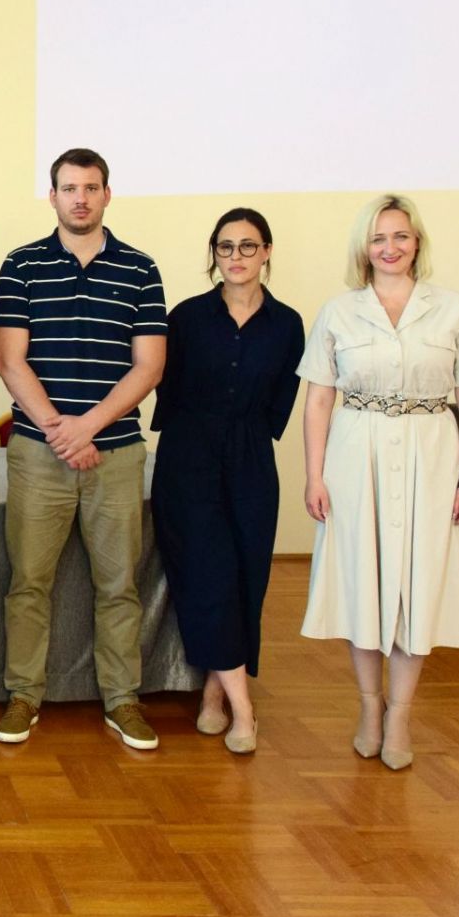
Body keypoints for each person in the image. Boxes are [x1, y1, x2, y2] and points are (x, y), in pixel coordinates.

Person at [298, 194, 459, 771]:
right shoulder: (338, 312)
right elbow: (319, 400)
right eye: (379, 238)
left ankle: (401, 712)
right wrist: (314, 475)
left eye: (400, 236)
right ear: (364, 248)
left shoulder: (453, 309)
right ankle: (369, 707)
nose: (390, 247)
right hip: (354, 457)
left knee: (419, 582)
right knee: (361, 580)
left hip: (432, 455)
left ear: (417, 242)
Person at [0, 148, 167, 750]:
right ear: (53, 197)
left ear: (107, 195)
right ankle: (23, 695)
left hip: (116, 456)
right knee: (28, 584)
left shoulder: (141, 269)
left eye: (91, 187)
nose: (81, 198)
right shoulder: (21, 266)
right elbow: (9, 361)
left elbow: (149, 366)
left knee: (119, 587)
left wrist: (87, 427)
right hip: (39, 455)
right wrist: (61, 432)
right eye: (69, 188)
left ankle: (122, 699)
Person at [150, 209, 304, 755]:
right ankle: (243, 709)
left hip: (252, 461)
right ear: (214, 254)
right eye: (225, 247)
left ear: (267, 252)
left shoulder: (288, 324)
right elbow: (165, 387)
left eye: (248, 246)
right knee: (210, 577)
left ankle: (213, 693)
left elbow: (282, 400)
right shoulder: (186, 318)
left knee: (246, 579)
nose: (236, 257)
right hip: (188, 459)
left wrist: (245, 438)